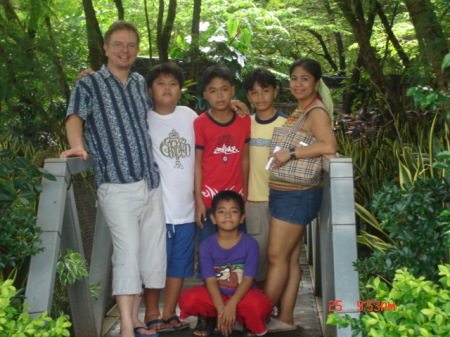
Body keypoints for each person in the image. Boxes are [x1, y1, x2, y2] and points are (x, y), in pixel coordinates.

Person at [60, 21, 165, 337]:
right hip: (116, 184)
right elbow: (74, 117)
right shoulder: (89, 85)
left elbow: (162, 113)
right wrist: (77, 145)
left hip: (150, 182)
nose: (125, 50)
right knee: (127, 253)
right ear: (105, 48)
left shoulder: (138, 83)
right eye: (118, 44)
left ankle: (136, 320)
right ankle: (126, 329)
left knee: (149, 254)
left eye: (131, 45)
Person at [264, 58, 337, 329]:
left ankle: (257, 316)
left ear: (316, 83)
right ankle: (285, 317)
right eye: (294, 78)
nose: (298, 83)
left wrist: (290, 152)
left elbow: (329, 144)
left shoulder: (316, 111)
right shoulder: (302, 109)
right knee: (290, 258)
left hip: (296, 193)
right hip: (289, 192)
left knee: (276, 256)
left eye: (304, 79)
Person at [143, 62, 196, 332]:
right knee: (154, 264)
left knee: (178, 266)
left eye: (173, 84)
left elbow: (216, 123)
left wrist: (233, 103)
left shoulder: (190, 115)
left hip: (187, 209)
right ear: (150, 89)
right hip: (156, 209)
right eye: (161, 83)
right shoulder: (143, 118)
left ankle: (170, 312)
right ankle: (151, 311)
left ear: (180, 90)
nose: (167, 88)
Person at [178, 190, 272, 336]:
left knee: (259, 304)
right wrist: (222, 309)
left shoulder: (250, 244)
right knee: (189, 298)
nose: (227, 215)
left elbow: (248, 279)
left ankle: (243, 320)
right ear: (213, 218)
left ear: (242, 218)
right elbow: (209, 280)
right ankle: (210, 317)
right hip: (215, 296)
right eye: (221, 211)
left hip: (241, 297)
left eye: (233, 211)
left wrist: (232, 305)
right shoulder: (206, 245)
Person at [194, 65, 251, 247]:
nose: (219, 95)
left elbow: (245, 158)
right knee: (209, 252)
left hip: (236, 200)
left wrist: (246, 193)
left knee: (236, 254)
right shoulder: (200, 123)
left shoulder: (244, 120)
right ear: (205, 95)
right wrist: (199, 201)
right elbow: (197, 164)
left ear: (233, 91)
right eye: (213, 91)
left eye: (224, 90)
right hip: (209, 201)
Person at [243, 68, 288, 290]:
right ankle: (259, 306)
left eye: (265, 91)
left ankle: (274, 304)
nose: (260, 97)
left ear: (275, 93)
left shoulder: (287, 125)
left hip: (282, 200)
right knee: (258, 259)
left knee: (279, 258)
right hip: (253, 200)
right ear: (247, 96)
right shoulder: (244, 122)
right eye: (254, 92)